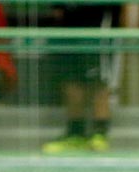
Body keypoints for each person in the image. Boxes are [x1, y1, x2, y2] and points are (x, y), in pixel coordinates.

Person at [41, 3, 123, 153]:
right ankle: (75, 133)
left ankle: (100, 134)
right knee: (70, 79)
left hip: (98, 25)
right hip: (68, 25)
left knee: (98, 79)